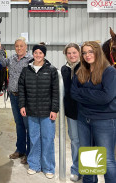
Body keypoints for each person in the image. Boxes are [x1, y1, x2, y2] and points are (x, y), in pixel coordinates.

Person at [71, 41, 116, 183]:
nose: (87, 55)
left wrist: (83, 92)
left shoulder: (109, 71)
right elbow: (73, 93)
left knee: (107, 160)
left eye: (90, 51)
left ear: (98, 52)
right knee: (89, 157)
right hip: (84, 119)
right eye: (84, 53)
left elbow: (106, 97)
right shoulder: (81, 71)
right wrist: (92, 94)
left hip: (104, 121)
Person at [18, 44, 59, 179]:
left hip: (47, 112)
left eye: (41, 53)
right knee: (34, 138)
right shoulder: (26, 70)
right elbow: (22, 89)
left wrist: (54, 109)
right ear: (33, 54)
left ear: (44, 55)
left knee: (47, 139)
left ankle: (48, 167)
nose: (38, 55)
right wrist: (22, 105)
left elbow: (55, 91)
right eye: (36, 52)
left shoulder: (51, 70)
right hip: (31, 111)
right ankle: (34, 165)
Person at [0, 37, 32, 164]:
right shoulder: (11, 58)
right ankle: (20, 149)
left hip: (26, 97)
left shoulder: (30, 60)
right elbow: (1, 63)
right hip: (13, 95)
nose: (19, 48)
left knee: (28, 124)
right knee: (19, 123)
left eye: (21, 46)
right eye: (17, 46)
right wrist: (0, 49)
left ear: (26, 47)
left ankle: (29, 153)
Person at [61, 43, 81, 182]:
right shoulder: (64, 69)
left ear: (79, 53)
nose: (72, 55)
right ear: (65, 54)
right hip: (72, 113)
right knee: (75, 141)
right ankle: (76, 169)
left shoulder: (86, 67)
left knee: (90, 141)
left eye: (74, 52)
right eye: (69, 53)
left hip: (88, 113)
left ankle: (90, 172)